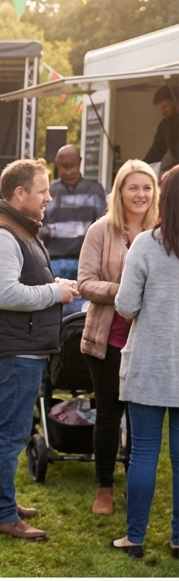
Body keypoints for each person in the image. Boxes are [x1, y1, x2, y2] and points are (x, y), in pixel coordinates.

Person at [0, 159, 81, 541]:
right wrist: (56, 292)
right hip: (16, 349)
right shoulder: (3, 233)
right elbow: (6, 294)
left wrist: (55, 286)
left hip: (21, 346)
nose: (48, 197)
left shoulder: (14, 227)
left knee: (4, 429)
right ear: (20, 193)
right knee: (11, 434)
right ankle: (0, 513)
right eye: (42, 190)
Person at [78, 160, 159, 516]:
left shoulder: (163, 231)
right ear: (119, 192)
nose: (140, 194)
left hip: (149, 340)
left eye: (147, 187)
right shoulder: (101, 230)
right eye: (133, 188)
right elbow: (84, 283)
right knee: (109, 414)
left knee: (141, 417)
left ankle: (135, 484)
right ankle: (105, 488)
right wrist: (125, 290)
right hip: (108, 337)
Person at [111, 164, 179, 560]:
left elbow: (126, 305)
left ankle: (134, 537)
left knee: (144, 454)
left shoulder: (147, 245)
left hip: (149, 365)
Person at [38, 145, 108, 280]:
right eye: (64, 166)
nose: (69, 172)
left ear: (80, 162)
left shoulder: (95, 191)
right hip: (54, 261)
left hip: (86, 262)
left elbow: (103, 228)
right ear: (57, 165)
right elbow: (39, 228)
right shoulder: (50, 191)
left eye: (72, 166)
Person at [144, 84, 179, 172]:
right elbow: (156, 150)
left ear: (176, 103)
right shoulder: (164, 125)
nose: (162, 113)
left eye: (165, 107)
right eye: (159, 109)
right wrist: (141, 167)